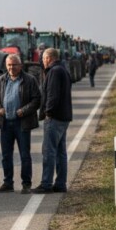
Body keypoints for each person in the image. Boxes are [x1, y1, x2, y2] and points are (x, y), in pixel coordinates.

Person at [0, 54, 41, 194]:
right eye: (9, 65)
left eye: (14, 65)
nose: (11, 67)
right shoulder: (1, 80)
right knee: (6, 155)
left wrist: (24, 111)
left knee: (24, 155)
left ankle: (26, 184)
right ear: (6, 66)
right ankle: (8, 183)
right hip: (6, 123)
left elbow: (37, 100)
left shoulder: (29, 80)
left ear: (20, 65)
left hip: (22, 123)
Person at [34, 48, 73, 194]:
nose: (42, 61)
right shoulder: (63, 69)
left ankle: (46, 183)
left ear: (48, 58)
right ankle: (60, 184)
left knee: (49, 151)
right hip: (63, 116)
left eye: (43, 58)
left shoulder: (54, 71)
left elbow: (52, 95)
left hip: (55, 117)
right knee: (60, 152)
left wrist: (48, 112)